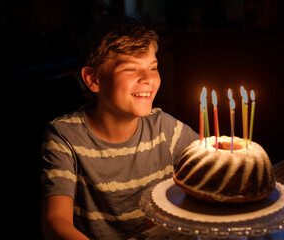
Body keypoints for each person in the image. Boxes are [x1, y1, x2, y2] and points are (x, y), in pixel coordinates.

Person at [40, 16, 198, 240]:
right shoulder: (65, 137)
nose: (148, 79)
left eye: (153, 67)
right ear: (93, 79)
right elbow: (55, 222)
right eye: (131, 69)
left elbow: (213, 166)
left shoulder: (167, 129)